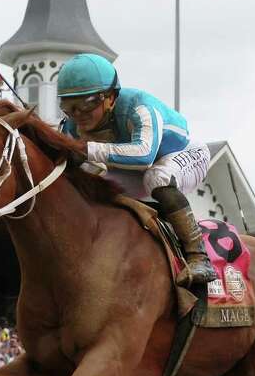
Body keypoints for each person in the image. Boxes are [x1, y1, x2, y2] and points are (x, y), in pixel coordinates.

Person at [55, 53, 215, 284]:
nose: (78, 115)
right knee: (91, 180)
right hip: (139, 169)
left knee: (157, 178)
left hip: (184, 155)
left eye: (86, 104)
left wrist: (85, 148)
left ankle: (198, 257)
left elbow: (144, 155)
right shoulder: (71, 125)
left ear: (110, 97)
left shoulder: (139, 106)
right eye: (69, 107)